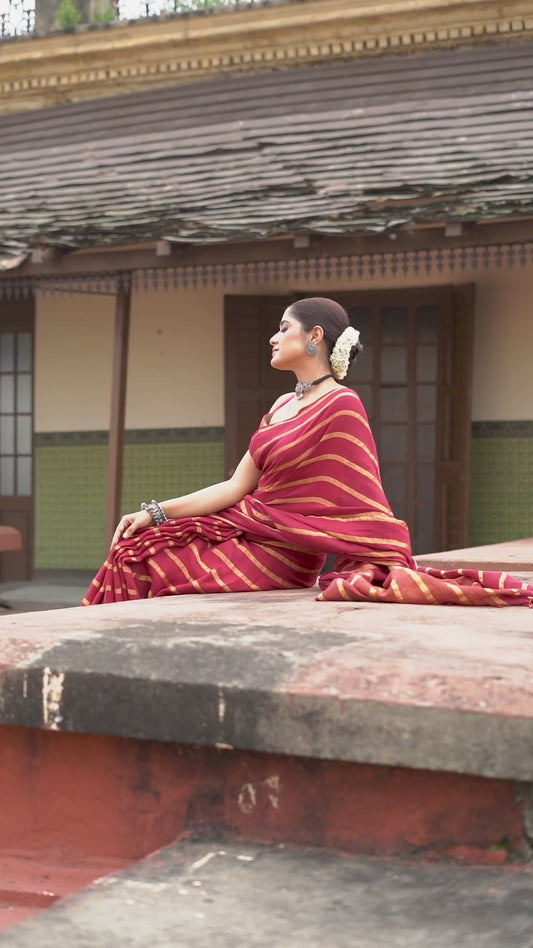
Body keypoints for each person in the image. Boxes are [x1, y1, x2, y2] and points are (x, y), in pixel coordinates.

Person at [83, 297, 532, 608]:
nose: (273, 338)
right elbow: (236, 486)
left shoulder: (342, 403)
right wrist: (156, 512)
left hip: (284, 552)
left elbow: (361, 500)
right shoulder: (281, 406)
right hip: (244, 528)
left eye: (283, 328)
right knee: (135, 544)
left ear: (314, 335)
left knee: (143, 561)